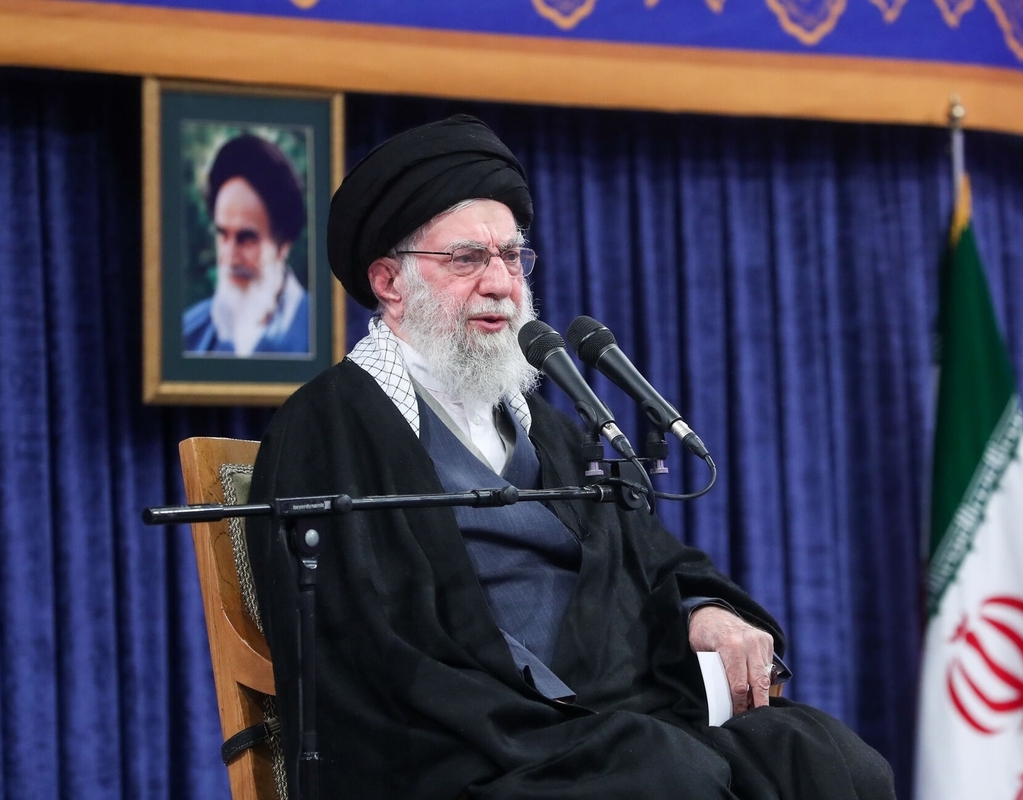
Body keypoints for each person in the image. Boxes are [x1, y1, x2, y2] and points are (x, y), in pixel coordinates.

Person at [247, 114, 895, 799]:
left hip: (615, 722)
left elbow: (652, 560)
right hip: (468, 745)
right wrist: (538, 721)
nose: (501, 283)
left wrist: (706, 610)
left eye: (511, 257)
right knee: (667, 776)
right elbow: (358, 641)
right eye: (467, 259)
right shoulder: (329, 426)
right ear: (389, 281)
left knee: (830, 762)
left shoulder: (554, 431)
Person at [183, 134, 310, 356]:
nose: (230, 256)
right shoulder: (189, 333)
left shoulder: (323, 333)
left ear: (283, 244)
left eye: (246, 238)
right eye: (223, 235)